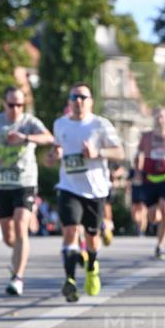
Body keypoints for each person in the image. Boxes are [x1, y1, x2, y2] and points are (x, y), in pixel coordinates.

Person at [49, 82, 124, 302]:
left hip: (95, 190)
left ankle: (92, 266)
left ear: (91, 102)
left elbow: (119, 152)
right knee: (70, 231)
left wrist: (97, 153)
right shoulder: (60, 124)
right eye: (74, 97)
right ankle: (70, 280)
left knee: (92, 239)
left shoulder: (100, 124)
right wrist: (54, 155)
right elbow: (56, 148)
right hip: (68, 187)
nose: (78, 101)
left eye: (83, 97)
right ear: (69, 101)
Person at [0, 86, 53, 295]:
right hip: (0, 184)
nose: (16, 109)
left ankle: (17, 277)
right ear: (4, 103)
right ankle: (17, 259)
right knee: (8, 236)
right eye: (11, 105)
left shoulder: (29, 122)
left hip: (25, 182)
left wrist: (26, 138)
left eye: (20, 105)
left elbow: (48, 137)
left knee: (20, 227)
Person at [135, 107, 165, 259]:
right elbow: (138, 154)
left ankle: (160, 245)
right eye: (157, 117)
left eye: (162, 116)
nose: (159, 119)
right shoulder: (146, 137)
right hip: (149, 178)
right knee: (152, 217)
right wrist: (137, 170)